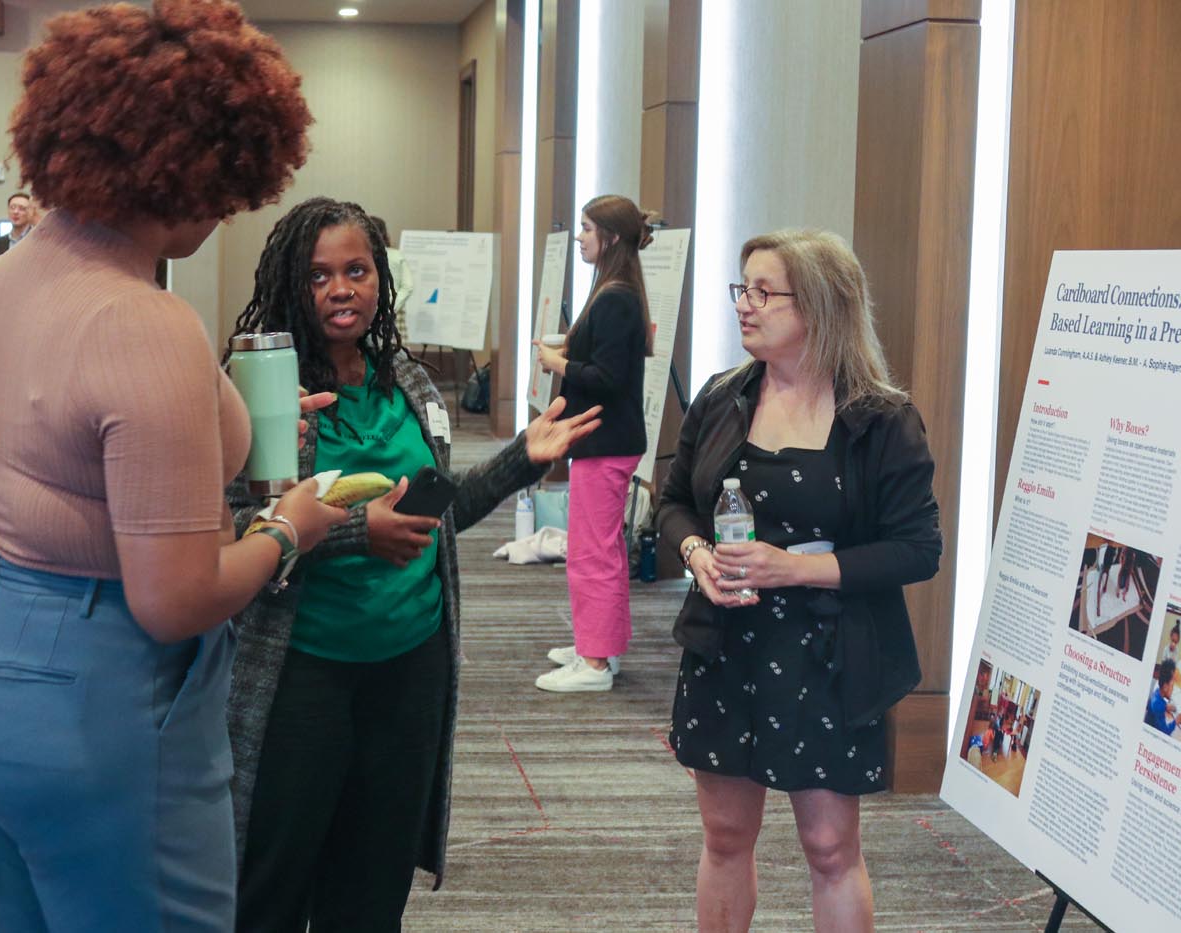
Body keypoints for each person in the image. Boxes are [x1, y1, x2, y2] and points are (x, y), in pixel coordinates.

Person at [0, 3, 344, 930]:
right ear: (186, 171)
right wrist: (287, 528)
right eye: (228, 184)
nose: (231, 207)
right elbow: (176, 598)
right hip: (91, 694)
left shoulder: (16, 268)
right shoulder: (143, 325)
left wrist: (209, 420)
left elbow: (80, 434)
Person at [222, 196, 601, 931]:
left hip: (410, 667)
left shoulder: (411, 383)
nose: (341, 289)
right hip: (302, 671)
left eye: (357, 270)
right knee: (272, 879)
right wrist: (355, 532)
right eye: (319, 275)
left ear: (380, 277)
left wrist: (524, 458)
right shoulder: (262, 385)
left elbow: (439, 512)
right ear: (290, 286)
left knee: (374, 880)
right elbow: (236, 530)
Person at [657, 229, 941, 931]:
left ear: (817, 307)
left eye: (764, 292)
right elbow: (672, 501)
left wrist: (795, 568)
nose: (744, 306)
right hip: (726, 641)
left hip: (828, 652)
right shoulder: (722, 397)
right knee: (725, 836)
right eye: (741, 289)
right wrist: (696, 554)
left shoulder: (881, 421)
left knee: (829, 846)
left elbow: (917, 549)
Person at [532, 194, 654, 692]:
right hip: (606, 439)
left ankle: (596, 663)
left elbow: (606, 376)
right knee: (601, 550)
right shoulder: (613, 291)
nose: (579, 236)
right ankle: (598, 644)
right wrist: (567, 346)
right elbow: (606, 354)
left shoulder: (617, 296)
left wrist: (558, 364)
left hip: (605, 441)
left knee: (592, 554)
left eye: (586, 228)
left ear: (611, 238)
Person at [370, 215, 414, 341]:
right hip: (394, 311)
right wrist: (392, 307)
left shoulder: (362, 257)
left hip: (370, 310)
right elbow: (408, 286)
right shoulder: (396, 255)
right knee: (396, 354)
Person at [0, 191, 34, 264]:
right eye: (12, 207)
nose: (16, 212)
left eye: (21, 208)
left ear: (30, 212)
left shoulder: (37, 241)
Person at [1145, 659, 1178, 736]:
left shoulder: (1157, 692)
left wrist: (1165, 706)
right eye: (1172, 686)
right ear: (1165, 687)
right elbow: (1165, 732)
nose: (1173, 689)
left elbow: (1158, 704)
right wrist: (1177, 720)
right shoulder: (1157, 705)